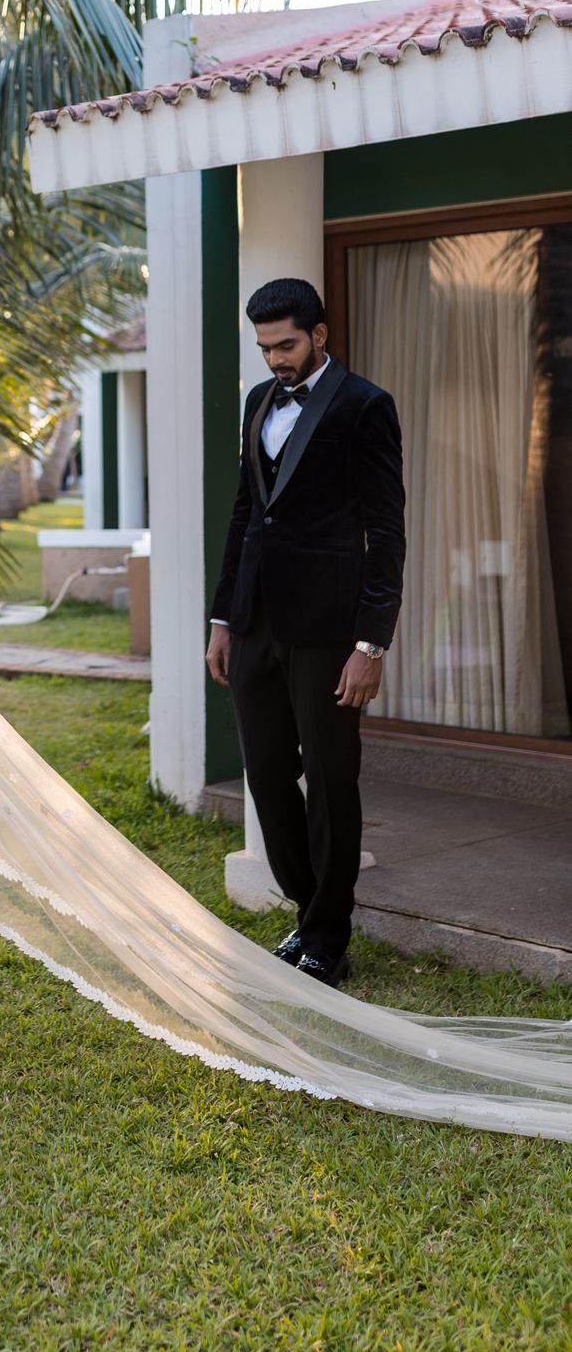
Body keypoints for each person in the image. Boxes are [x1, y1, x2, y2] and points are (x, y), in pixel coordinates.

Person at [206, 277, 405, 988]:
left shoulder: (363, 406)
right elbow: (244, 515)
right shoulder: (255, 403)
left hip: (328, 630)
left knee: (328, 778)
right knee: (264, 772)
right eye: (263, 348)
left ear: (318, 334)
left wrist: (369, 643)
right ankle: (304, 907)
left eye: (285, 345)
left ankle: (327, 935)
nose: (273, 360)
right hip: (256, 620)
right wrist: (223, 617)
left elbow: (385, 533)